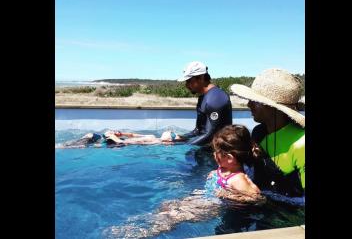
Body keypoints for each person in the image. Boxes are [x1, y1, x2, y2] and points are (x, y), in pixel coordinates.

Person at [102, 125, 265, 238]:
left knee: (172, 218)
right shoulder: (225, 168)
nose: (214, 155)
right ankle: (136, 225)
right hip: (201, 198)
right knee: (167, 206)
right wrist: (214, 175)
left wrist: (229, 195)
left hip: (209, 206)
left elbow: (256, 197)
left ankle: (136, 233)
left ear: (229, 158)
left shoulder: (239, 179)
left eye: (217, 152)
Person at [230, 68, 305, 198]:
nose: (249, 104)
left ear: (274, 108)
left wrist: (265, 160)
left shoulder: (301, 143)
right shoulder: (259, 132)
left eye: (255, 101)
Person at [177, 61, 233, 146]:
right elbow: (198, 130)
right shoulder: (203, 97)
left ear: (201, 78)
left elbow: (211, 134)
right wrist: (180, 138)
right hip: (206, 148)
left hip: (218, 153)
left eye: (189, 81)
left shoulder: (216, 98)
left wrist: (179, 145)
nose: (187, 85)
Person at [55, 130, 185, 149]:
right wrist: (120, 132)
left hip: (115, 145)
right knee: (91, 135)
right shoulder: (152, 136)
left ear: (169, 141)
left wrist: (114, 138)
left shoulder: (155, 142)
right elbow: (133, 136)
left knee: (86, 145)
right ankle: (61, 145)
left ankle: (60, 147)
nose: (170, 131)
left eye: (172, 134)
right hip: (116, 139)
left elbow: (126, 142)